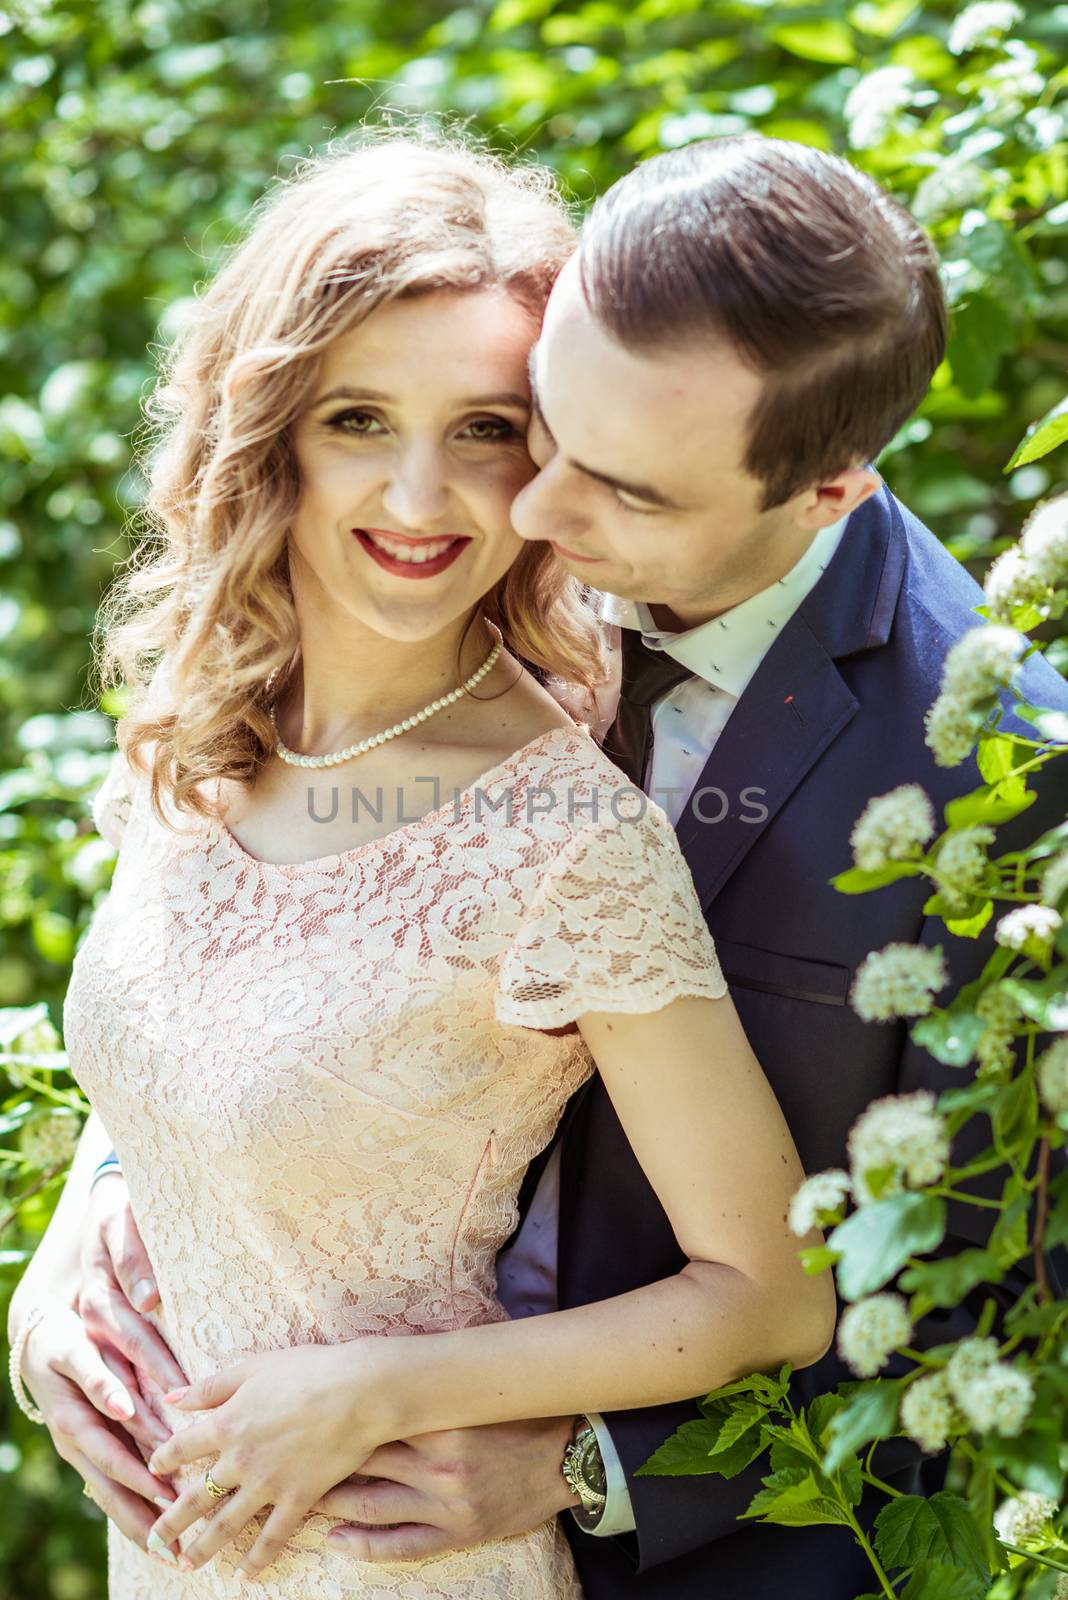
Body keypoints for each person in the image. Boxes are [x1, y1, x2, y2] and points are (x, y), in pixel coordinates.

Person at [15, 132, 1068, 1600]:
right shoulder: (370, 617)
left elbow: (988, 1337)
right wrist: (91, 1233)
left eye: (613, 486)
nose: (524, 512)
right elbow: (283, 1012)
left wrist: (591, 1459)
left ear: (822, 489)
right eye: (542, 423)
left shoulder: (1002, 782)